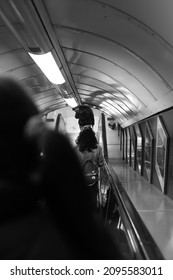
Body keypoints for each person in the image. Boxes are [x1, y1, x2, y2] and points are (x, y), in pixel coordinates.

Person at [74, 125, 105, 209]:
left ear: (80, 137)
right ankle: (93, 214)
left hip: (79, 180)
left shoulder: (75, 149)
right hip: (93, 179)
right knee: (93, 200)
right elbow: (101, 164)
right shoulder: (98, 148)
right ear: (93, 137)